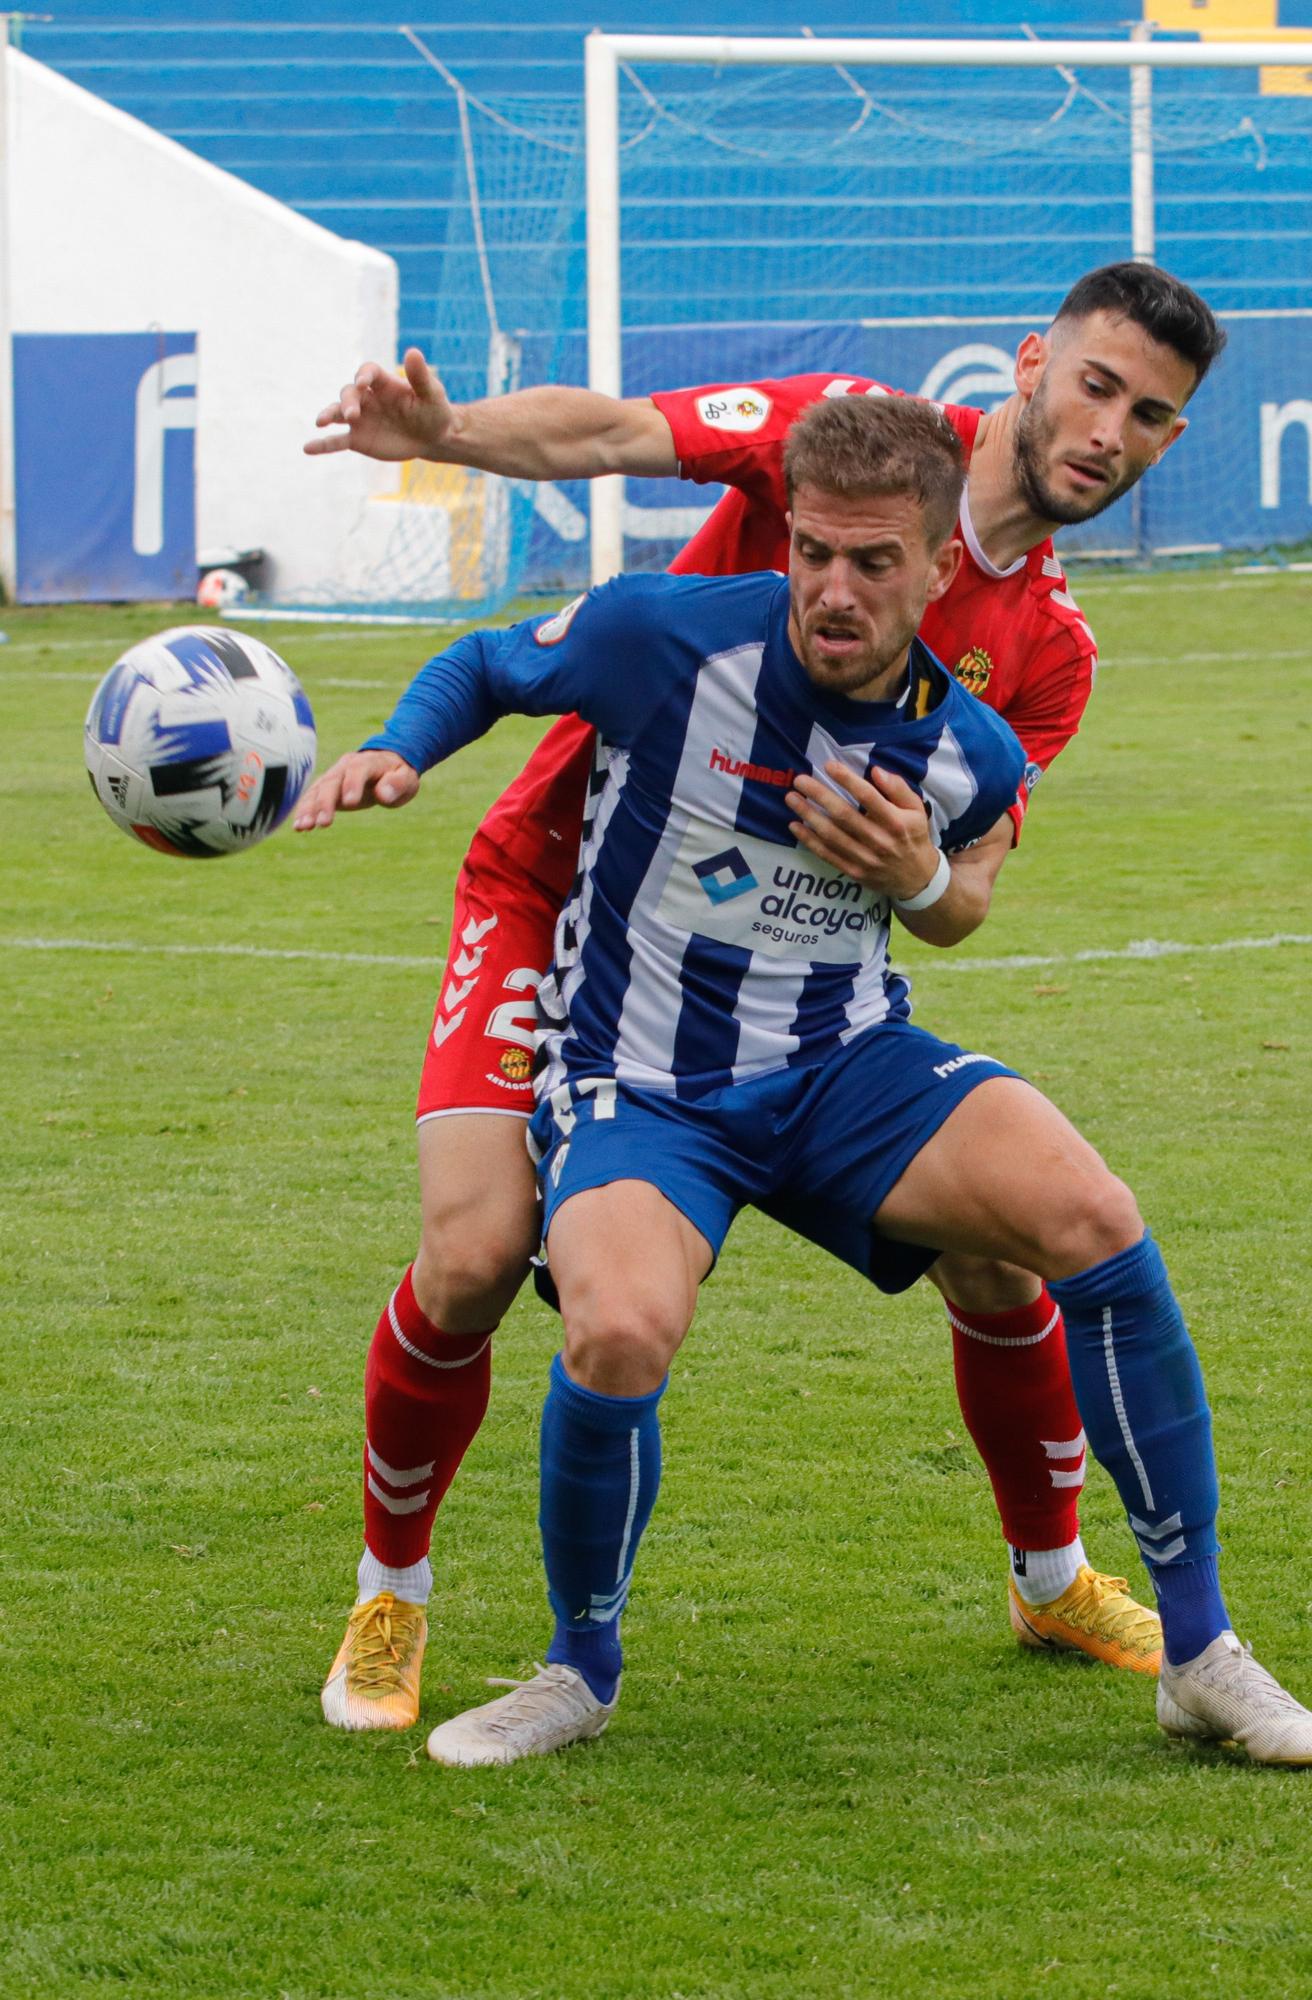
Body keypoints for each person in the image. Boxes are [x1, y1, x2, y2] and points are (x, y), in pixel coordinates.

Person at [314, 395, 1312, 1770]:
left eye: (874, 563)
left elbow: (965, 893)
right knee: (613, 1333)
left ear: (937, 568)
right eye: (816, 556)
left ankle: (1200, 1652)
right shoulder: (659, 638)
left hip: (846, 1067)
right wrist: (398, 748)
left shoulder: (973, 745)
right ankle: (577, 1670)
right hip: (643, 1083)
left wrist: (917, 879)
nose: (834, 592)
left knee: (1094, 1218)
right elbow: (488, 664)